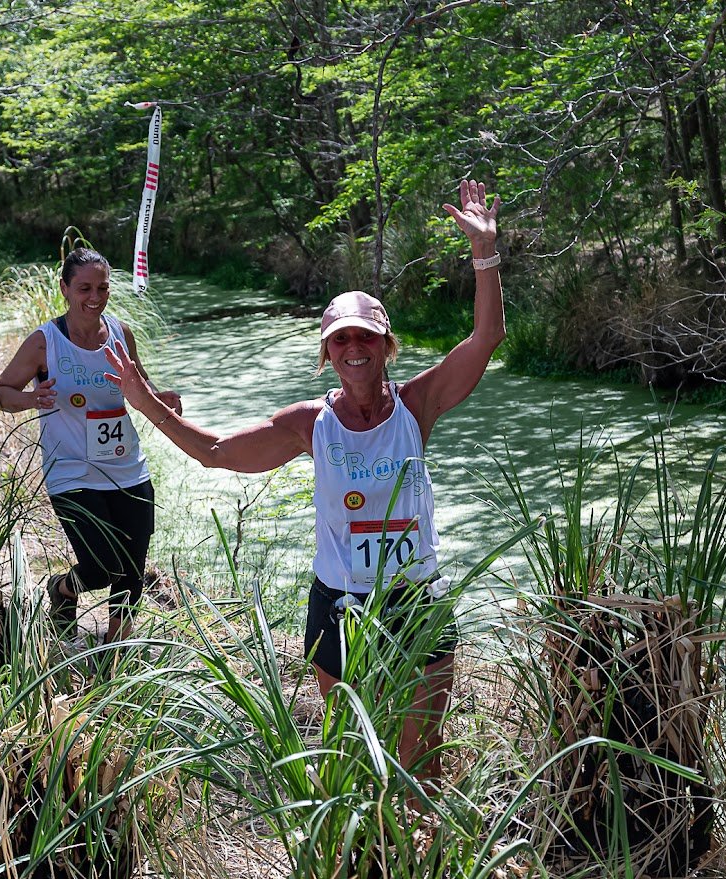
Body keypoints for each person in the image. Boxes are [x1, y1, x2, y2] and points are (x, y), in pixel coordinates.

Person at [103, 179, 504, 784]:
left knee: (420, 759)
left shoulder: (418, 406)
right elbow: (215, 452)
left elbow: (485, 338)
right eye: (339, 338)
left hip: (414, 601)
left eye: (364, 335)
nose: (353, 347)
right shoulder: (309, 425)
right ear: (327, 354)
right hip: (340, 606)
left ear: (386, 345)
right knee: (352, 763)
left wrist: (485, 255)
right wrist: (143, 401)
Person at [0, 247, 182, 644]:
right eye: (84, 288)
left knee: (130, 571)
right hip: (72, 470)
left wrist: (163, 398)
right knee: (101, 567)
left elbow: (138, 391)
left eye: (102, 288)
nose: (94, 297)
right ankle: (62, 588)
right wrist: (30, 398)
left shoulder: (120, 333)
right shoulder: (45, 343)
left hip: (128, 467)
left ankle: (114, 657)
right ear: (65, 289)